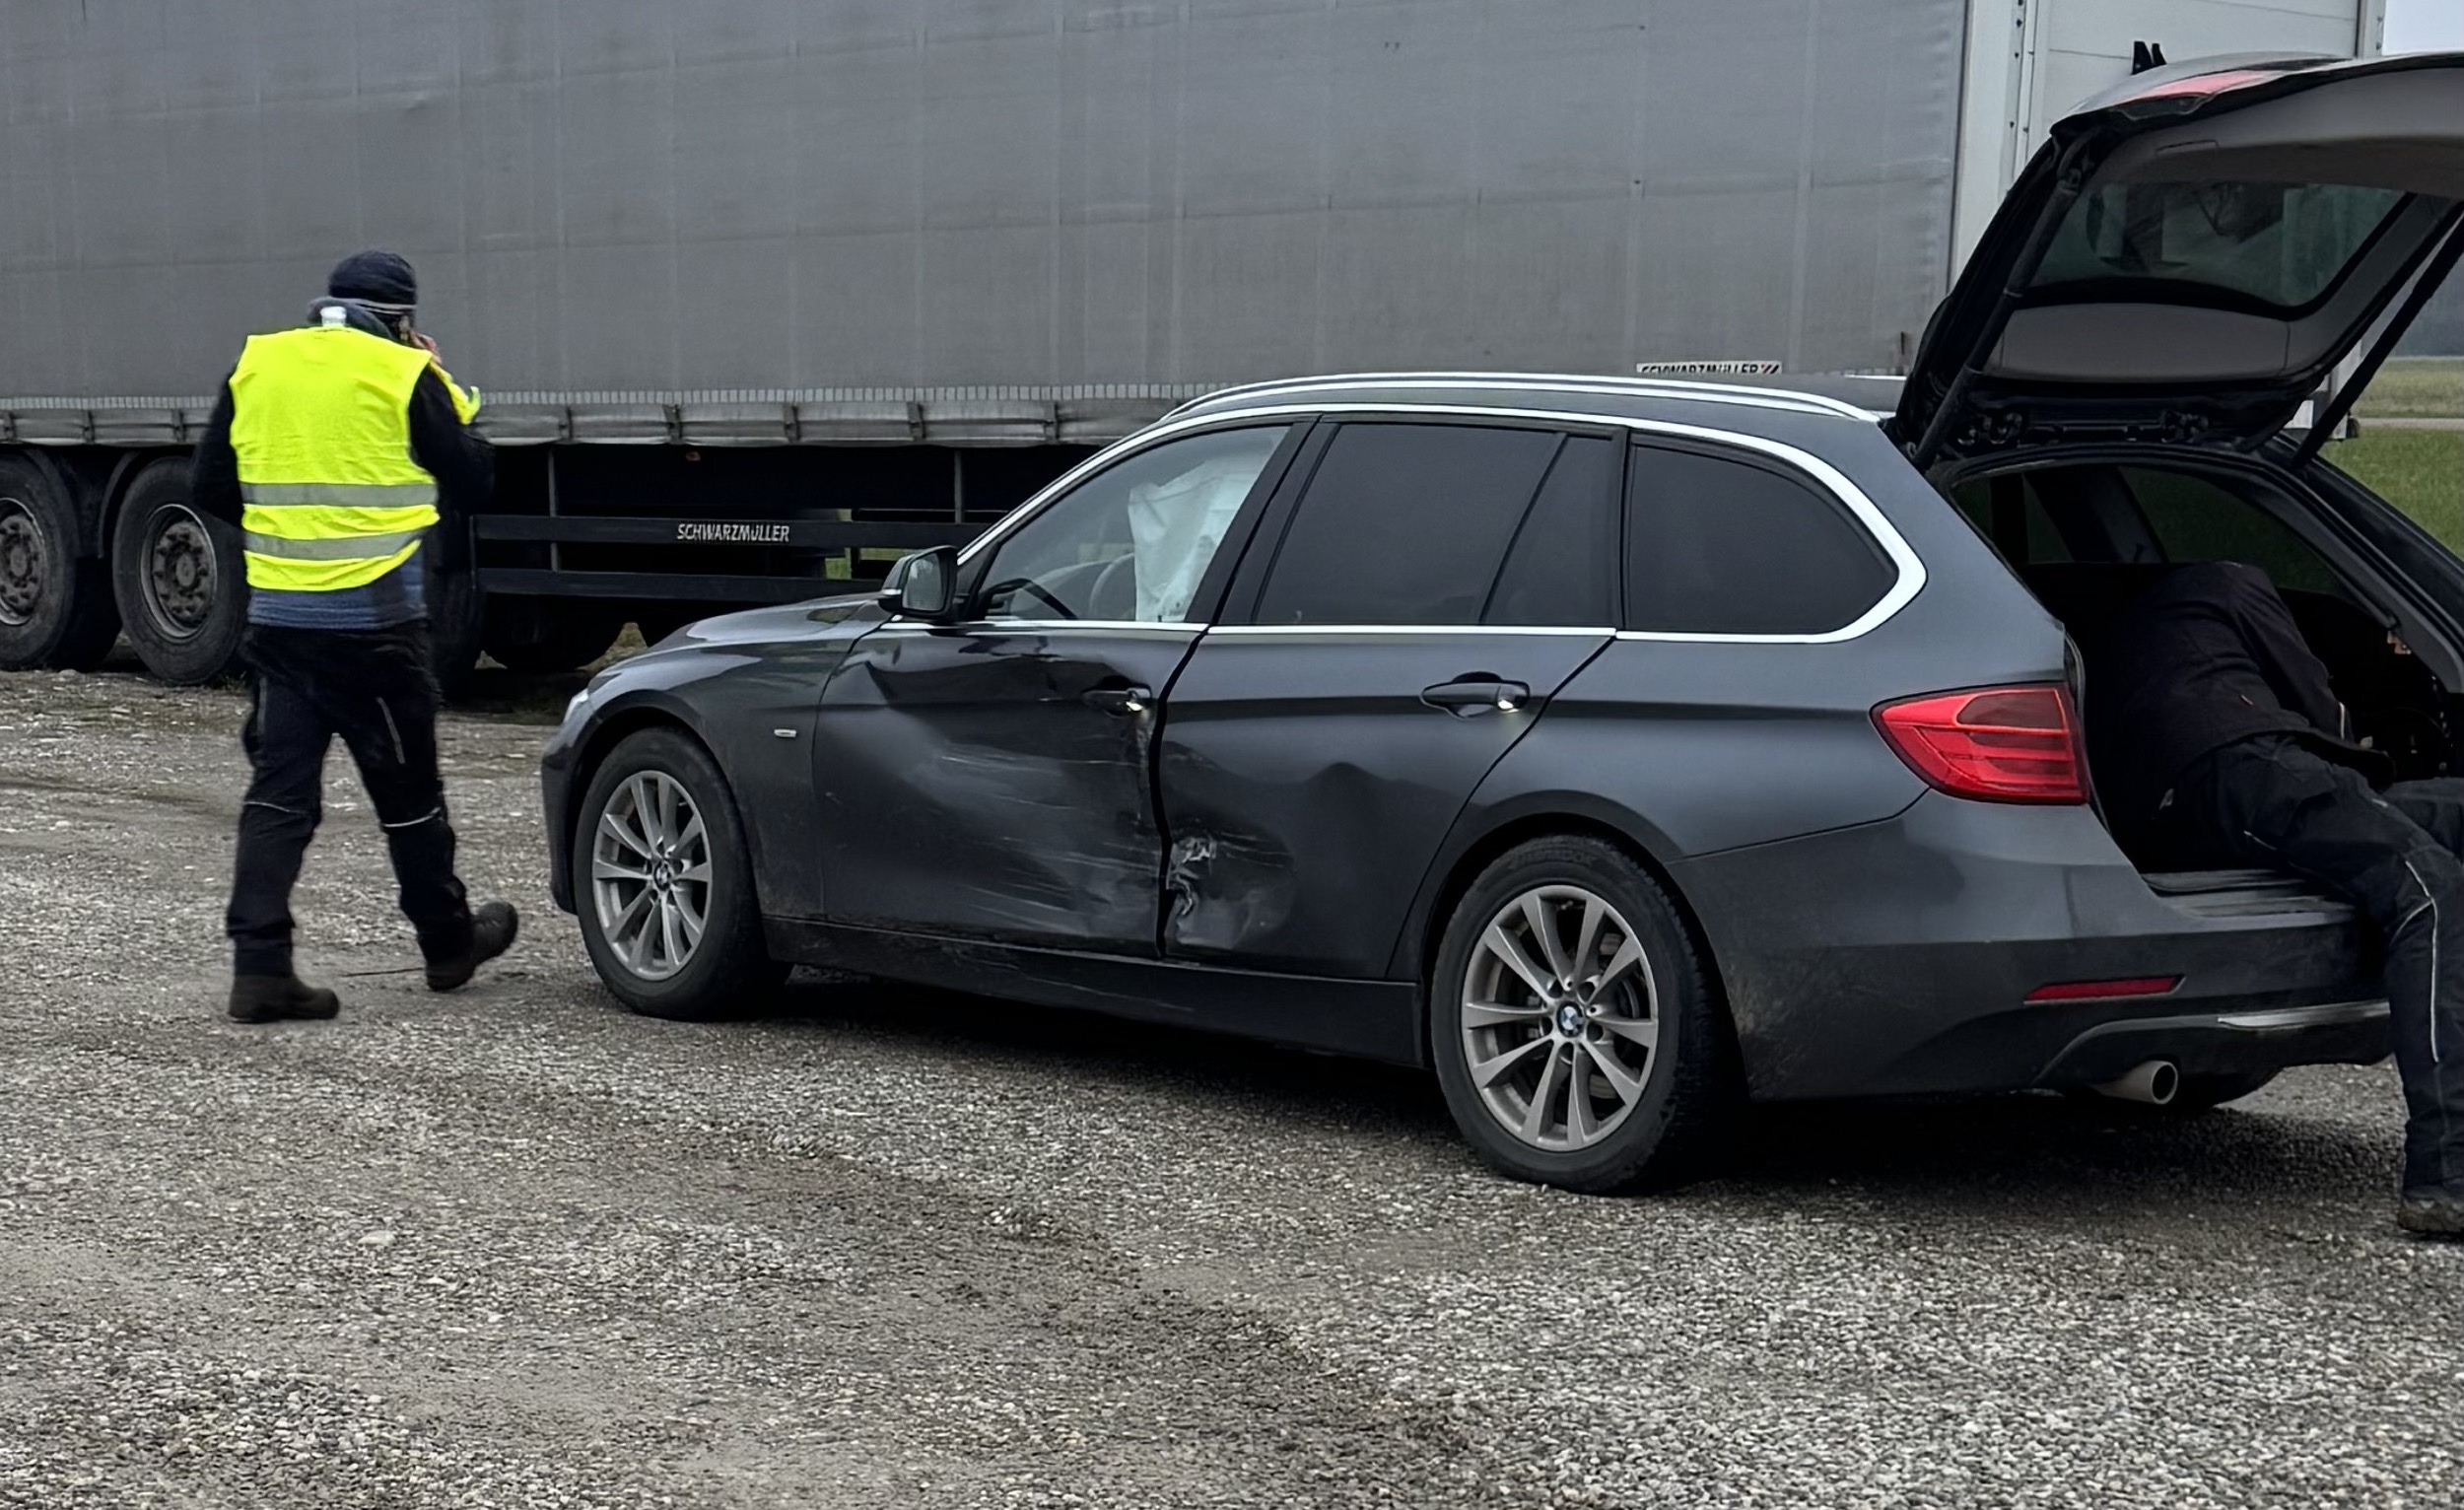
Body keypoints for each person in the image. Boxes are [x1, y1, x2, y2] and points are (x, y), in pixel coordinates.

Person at [189, 249, 518, 1023]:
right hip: (375, 628)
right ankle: (447, 944)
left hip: (281, 620)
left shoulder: (259, 363)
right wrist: (443, 387)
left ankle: (260, 969)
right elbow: (474, 481)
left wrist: (290, 534)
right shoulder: (403, 372)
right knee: (409, 796)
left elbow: (209, 485)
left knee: (279, 798)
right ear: (402, 321)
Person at [2092, 560, 2464, 1237]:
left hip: (2175, 816)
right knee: (2430, 890)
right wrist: (2366, 749)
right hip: (2246, 764)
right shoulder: (2231, 581)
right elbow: (2317, 705)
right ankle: (2448, 1171)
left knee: (2434, 819)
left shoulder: (2126, 634)